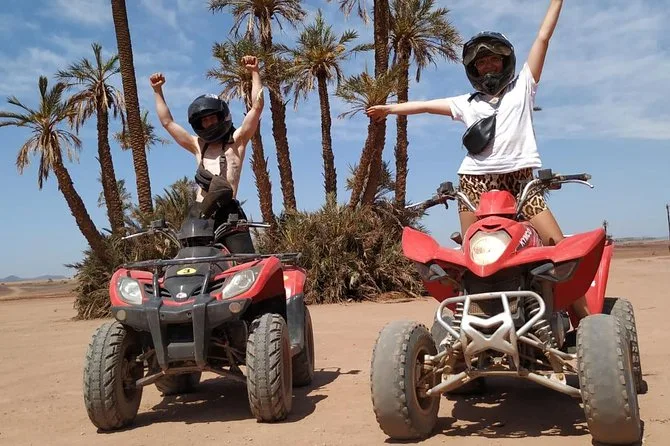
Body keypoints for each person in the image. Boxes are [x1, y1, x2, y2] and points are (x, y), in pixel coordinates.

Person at [366, 0, 590, 320]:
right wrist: (389, 109)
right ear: (474, 70)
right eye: (482, 63)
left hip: (520, 182)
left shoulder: (524, 86)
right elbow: (425, 106)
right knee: (471, 258)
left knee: (557, 249)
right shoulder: (467, 103)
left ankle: (586, 324)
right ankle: (466, 323)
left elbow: (543, 37)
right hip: (474, 184)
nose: (488, 67)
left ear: (505, 62)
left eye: (494, 60)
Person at [149, 55, 264, 254]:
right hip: (200, 214)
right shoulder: (197, 145)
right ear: (199, 124)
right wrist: (157, 91)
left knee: (246, 263)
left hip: (229, 214)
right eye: (204, 121)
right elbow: (168, 123)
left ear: (221, 117)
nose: (209, 123)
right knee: (192, 262)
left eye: (212, 118)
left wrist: (254, 72)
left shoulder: (237, 140)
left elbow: (257, 107)